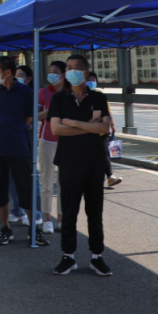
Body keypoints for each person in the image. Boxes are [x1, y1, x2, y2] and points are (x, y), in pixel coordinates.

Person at [48, 55, 113, 276]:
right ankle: (68, 256)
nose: (72, 71)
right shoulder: (59, 98)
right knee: (69, 212)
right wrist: (89, 127)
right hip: (68, 162)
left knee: (95, 212)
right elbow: (56, 129)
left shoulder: (98, 97)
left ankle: (97, 256)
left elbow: (104, 128)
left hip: (94, 162)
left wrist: (73, 123)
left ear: (86, 73)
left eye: (77, 67)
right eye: (69, 67)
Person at [0, 55, 46, 247]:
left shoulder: (25, 91)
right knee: (0, 189)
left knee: (25, 188)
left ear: (7, 72)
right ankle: (5, 228)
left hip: (19, 147)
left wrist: (12, 131)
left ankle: (34, 229)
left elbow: (28, 119)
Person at [37, 60, 67, 234]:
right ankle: (47, 219)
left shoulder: (70, 92)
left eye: (55, 71)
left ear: (63, 75)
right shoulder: (43, 92)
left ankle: (61, 219)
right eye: (50, 71)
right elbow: (35, 115)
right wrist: (52, 110)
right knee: (46, 182)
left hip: (66, 141)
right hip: (47, 141)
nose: (51, 74)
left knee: (64, 183)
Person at [86, 71, 122, 188]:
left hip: (101, 130)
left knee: (103, 154)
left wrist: (112, 124)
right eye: (88, 80)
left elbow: (107, 110)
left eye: (93, 80)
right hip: (86, 131)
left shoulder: (100, 95)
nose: (91, 82)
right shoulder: (80, 96)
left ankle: (110, 177)